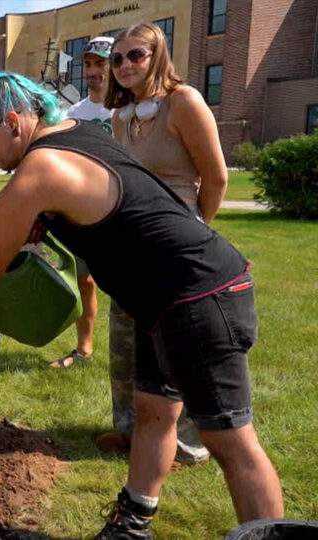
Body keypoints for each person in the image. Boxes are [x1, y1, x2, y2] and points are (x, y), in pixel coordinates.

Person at [0, 71, 282, 538]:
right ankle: (132, 524)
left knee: (232, 444)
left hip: (199, 298)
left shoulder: (35, 175)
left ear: (15, 122)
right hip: (164, 302)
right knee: (154, 411)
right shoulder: (78, 136)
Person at [96, 22, 230, 464]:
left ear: (158, 56)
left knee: (176, 346)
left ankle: (187, 443)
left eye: (136, 55)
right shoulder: (121, 117)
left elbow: (215, 177)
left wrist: (196, 230)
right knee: (126, 341)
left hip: (177, 246)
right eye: (117, 58)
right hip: (132, 246)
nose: (124, 65)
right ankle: (131, 429)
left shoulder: (184, 102)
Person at [48, 36, 114, 370]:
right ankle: (84, 349)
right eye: (88, 64)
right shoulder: (74, 114)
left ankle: (138, 357)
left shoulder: (127, 109)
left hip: (122, 212)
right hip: (85, 211)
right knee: (85, 281)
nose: (92, 71)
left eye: (100, 63)